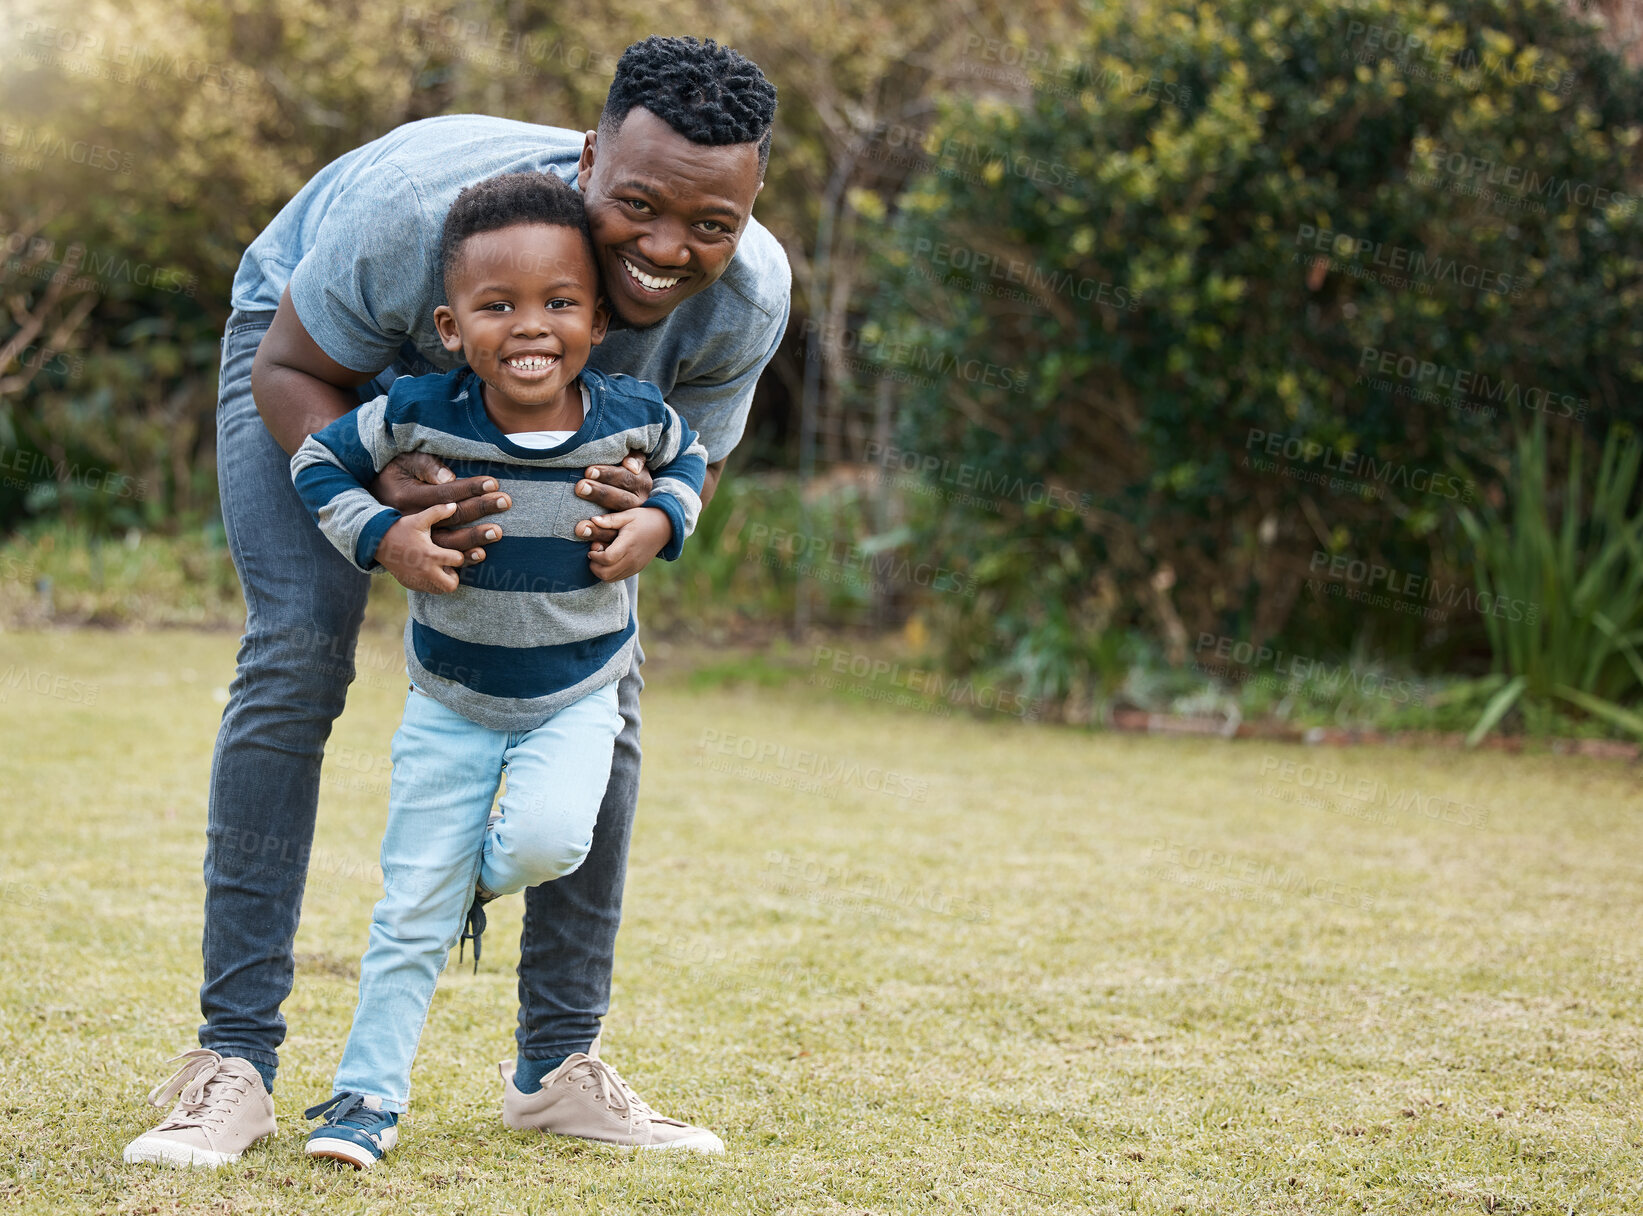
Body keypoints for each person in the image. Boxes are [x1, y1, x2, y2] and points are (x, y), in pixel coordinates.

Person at [122, 36, 788, 1169]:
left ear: (748, 207)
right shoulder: (407, 221)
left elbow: (695, 465)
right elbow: (294, 369)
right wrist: (380, 496)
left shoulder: (743, 297)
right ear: (589, 160)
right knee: (297, 649)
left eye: (711, 225)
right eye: (638, 206)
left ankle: (557, 1067)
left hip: (538, 411)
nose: (668, 250)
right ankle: (229, 1060)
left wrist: (656, 509)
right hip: (322, 356)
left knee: (602, 678)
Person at [289, 170, 710, 1168]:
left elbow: (692, 464)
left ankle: (465, 890)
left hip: (577, 691)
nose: (532, 327)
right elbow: (315, 461)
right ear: (449, 324)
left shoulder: (631, 416)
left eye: (559, 303)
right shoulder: (420, 413)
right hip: (449, 699)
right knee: (405, 913)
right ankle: (363, 1100)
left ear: (598, 317)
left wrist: (658, 518)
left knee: (548, 843)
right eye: (498, 305)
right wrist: (380, 533)